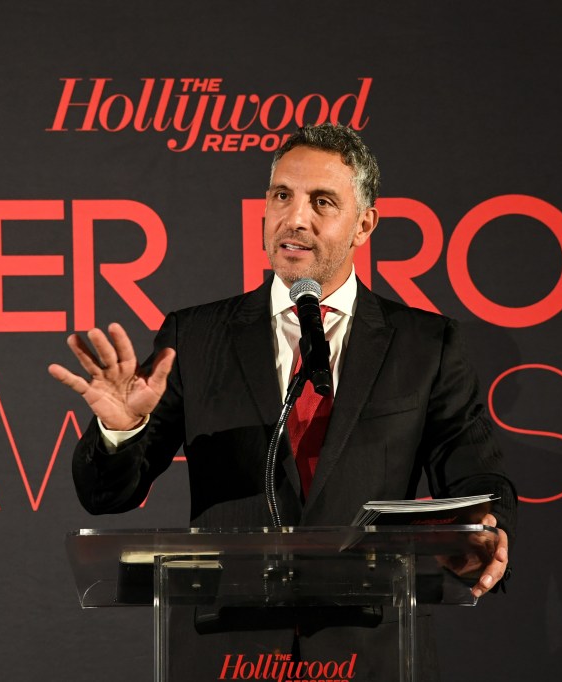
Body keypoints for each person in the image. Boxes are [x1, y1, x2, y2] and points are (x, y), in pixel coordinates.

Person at [49, 123, 515, 675]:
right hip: (227, 650)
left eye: (322, 202)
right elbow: (108, 495)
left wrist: (486, 528)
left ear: (364, 224)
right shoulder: (195, 338)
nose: (295, 219)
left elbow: (476, 477)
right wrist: (121, 431)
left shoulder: (424, 344)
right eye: (281, 196)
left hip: (370, 652)